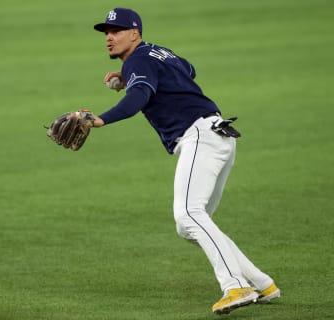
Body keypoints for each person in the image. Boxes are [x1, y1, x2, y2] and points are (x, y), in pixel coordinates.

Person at [89, 7, 281, 315]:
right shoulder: (157, 52)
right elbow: (188, 69)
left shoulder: (138, 59)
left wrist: (101, 119)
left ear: (135, 33)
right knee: (191, 224)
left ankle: (235, 287)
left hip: (200, 138)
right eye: (106, 32)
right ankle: (261, 283)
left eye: (117, 31)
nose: (109, 38)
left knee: (190, 215)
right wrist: (129, 77)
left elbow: (138, 98)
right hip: (219, 136)